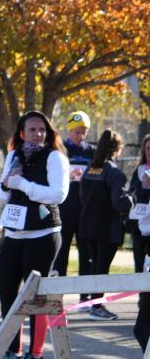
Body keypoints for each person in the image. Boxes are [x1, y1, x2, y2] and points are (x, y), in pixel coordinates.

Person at [0, 111, 69, 359]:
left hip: (43, 234)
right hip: (14, 232)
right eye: (33, 129)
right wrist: (9, 183)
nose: (38, 134)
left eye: (42, 129)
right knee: (7, 290)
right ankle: (11, 349)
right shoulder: (13, 155)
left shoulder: (55, 157)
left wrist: (23, 185)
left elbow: (58, 195)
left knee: (36, 294)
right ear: (21, 133)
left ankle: (35, 354)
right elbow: (3, 193)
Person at [78, 129, 133, 321]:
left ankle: (92, 303)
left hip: (88, 225)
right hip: (107, 229)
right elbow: (119, 203)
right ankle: (97, 307)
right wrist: (131, 199)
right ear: (117, 149)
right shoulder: (115, 173)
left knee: (95, 266)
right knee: (102, 268)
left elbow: (82, 195)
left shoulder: (90, 168)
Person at [51, 111, 95, 283]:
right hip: (65, 208)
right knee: (61, 252)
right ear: (69, 130)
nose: (81, 136)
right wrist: (67, 177)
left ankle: (85, 292)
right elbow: (52, 175)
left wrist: (87, 177)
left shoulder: (91, 151)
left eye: (84, 132)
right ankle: (58, 291)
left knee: (86, 253)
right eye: (77, 132)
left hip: (84, 209)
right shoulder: (60, 149)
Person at [126, 134, 150, 273]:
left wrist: (144, 189)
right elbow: (133, 192)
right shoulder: (139, 170)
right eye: (147, 148)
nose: (149, 151)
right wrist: (143, 186)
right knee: (139, 263)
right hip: (139, 222)